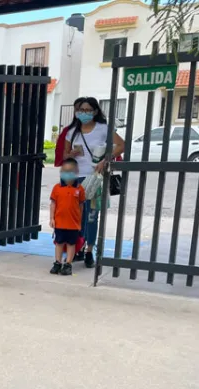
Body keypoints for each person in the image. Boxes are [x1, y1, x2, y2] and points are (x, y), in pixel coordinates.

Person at [64, 97, 124, 268]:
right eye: (81, 110)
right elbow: (64, 155)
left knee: (91, 217)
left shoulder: (103, 129)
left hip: (96, 178)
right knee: (76, 217)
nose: (84, 113)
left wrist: (106, 159)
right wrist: (71, 154)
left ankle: (90, 250)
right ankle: (79, 248)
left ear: (95, 111)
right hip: (76, 178)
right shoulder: (72, 131)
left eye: (88, 110)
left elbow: (121, 145)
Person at [49, 158, 86, 276]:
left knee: (71, 244)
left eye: (70, 171)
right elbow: (53, 204)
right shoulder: (57, 188)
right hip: (60, 222)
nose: (67, 173)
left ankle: (68, 264)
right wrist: (52, 218)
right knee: (59, 243)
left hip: (73, 224)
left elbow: (81, 206)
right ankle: (57, 262)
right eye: (64, 171)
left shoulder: (79, 189)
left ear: (76, 172)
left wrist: (79, 221)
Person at [54, 97, 85, 168]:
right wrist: (70, 155)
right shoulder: (67, 131)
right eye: (77, 109)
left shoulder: (99, 130)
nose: (80, 112)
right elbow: (60, 153)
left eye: (83, 109)